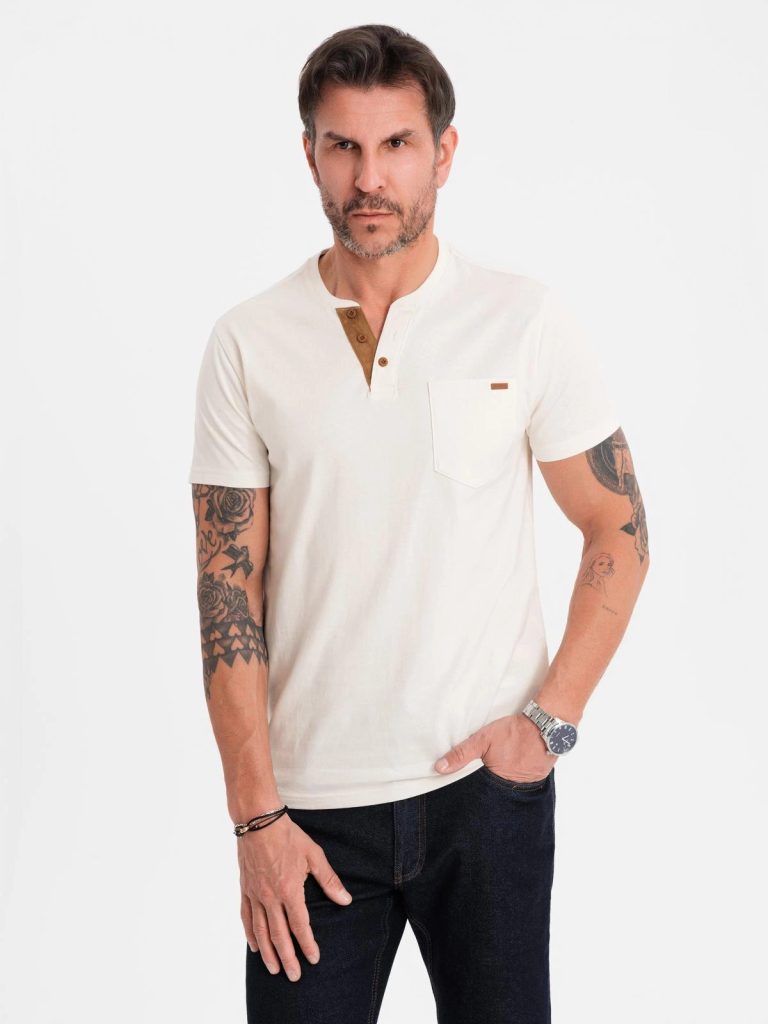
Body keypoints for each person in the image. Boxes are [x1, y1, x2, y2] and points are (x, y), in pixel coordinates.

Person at [188, 23, 650, 1024]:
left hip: (486, 795)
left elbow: (617, 526)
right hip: (308, 818)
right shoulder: (248, 342)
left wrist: (548, 723)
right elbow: (226, 590)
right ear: (310, 153)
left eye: (396, 144)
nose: (370, 177)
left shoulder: (523, 319)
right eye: (343, 146)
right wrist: (254, 816)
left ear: (443, 152)